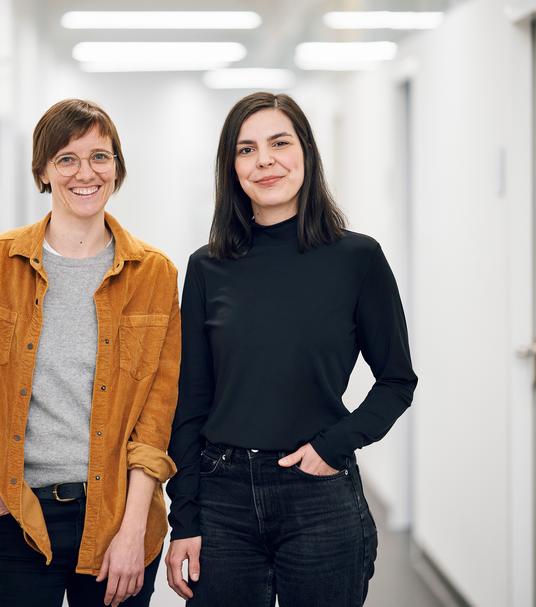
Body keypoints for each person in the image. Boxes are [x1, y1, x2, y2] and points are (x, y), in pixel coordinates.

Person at [165, 92, 418, 607]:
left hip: (319, 495)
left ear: (306, 151)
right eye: (246, 149)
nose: (264, 161)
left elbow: (396, 380)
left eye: (279, 143)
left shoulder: (357, 259)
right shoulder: (207, 267)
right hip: (223, 497)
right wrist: (184, 519)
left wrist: (333, 446)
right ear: (231, 167)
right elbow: (189, 402)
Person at [0, 98, 181, 607]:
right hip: (16, 516)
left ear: (117, 167)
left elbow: (157, 417)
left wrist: (133, 531)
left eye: (100, 157)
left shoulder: (154, 274)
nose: (85, 173)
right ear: (43, 171)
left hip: (115, 521)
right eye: (67, 158)